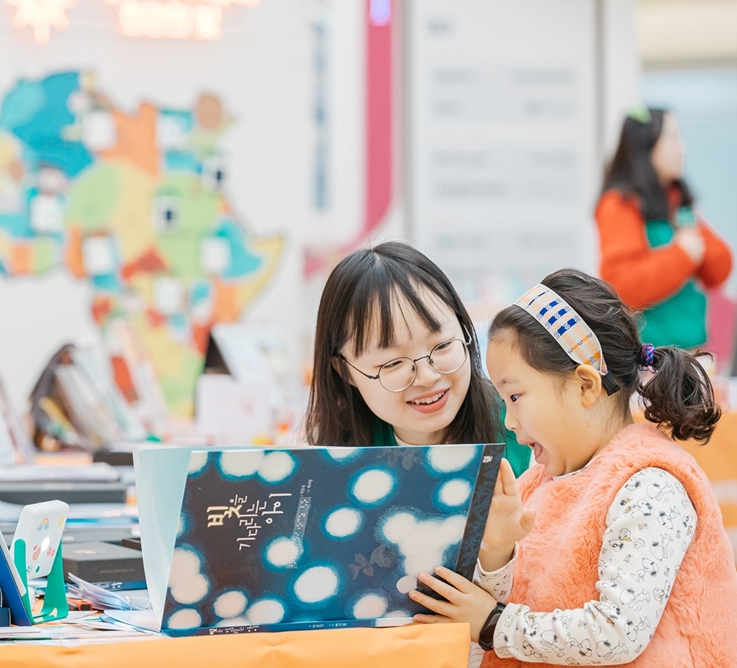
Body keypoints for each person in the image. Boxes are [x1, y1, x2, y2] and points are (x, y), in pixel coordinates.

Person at [408, 269, 737, 666]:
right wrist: (497, 549)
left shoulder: (650, 485)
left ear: (585, 385)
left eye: (515, 396)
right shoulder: (537, 484)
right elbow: (498, 620)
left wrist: (493, 623)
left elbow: (617, 632)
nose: (509, 421)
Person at [304, 241, 531, 475]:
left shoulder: (527, 430)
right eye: (393, 363)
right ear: (345, 370)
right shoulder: (332, 459)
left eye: (442, 345)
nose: (427, 377)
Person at [596, 106, 732, 349]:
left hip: (691, 350)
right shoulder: (620, 204)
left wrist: (695, 246)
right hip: (649, 356)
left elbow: (719, 271)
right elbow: (622, 286)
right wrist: (683, 255)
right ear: (645, 146)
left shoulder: (676, 200)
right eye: (672, 138)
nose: (682, 149)